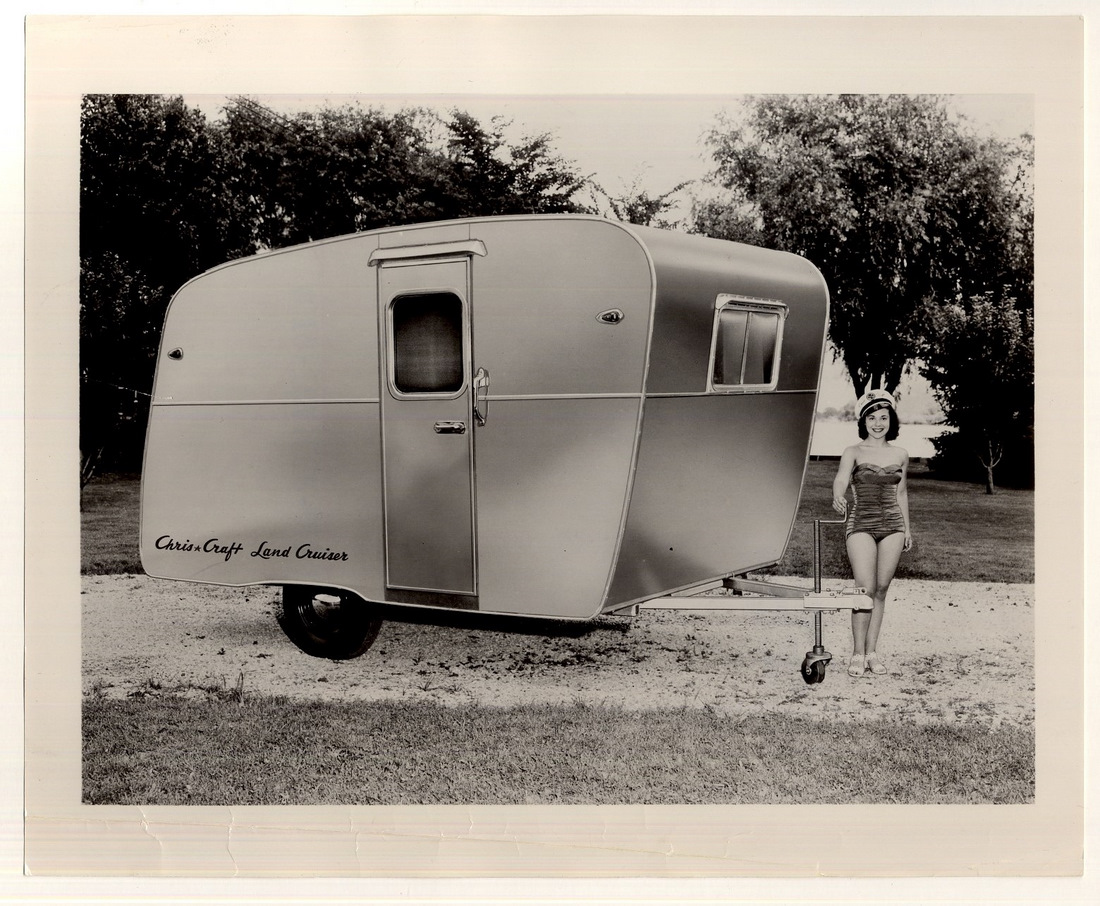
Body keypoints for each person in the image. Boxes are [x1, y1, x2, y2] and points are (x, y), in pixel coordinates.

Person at [831, 389, 912, 678]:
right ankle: (857, 653)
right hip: (861, 524)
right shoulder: (853, 452)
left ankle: (872, 652)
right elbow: (841, 479)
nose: (878, 423)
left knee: (881, 590)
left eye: (884, 417)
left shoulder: (900, 454)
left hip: (893, 525)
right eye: (872, 418)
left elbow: (901, 493)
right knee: (864, 590)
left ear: (892, 420)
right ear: (863, 421)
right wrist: (838, 495)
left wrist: (907, 529)